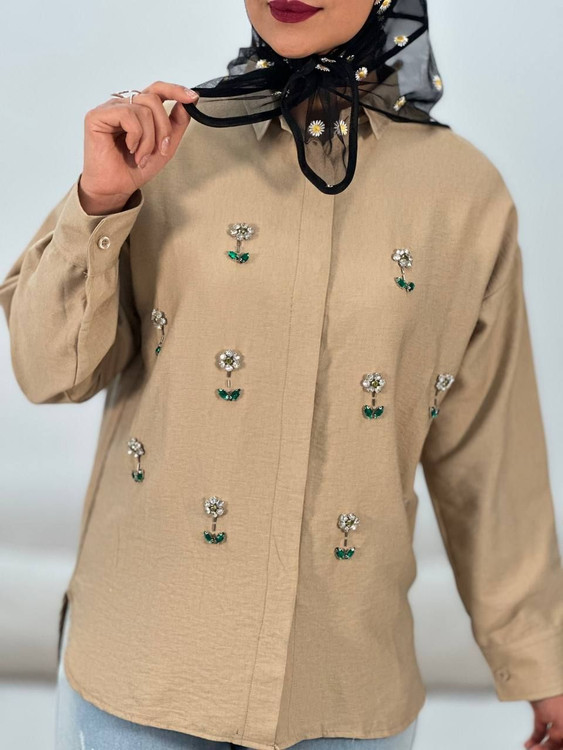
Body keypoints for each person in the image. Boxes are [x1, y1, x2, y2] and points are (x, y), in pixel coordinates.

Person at [1, 1, 562, 749]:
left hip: (345, 694)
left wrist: (540, 662)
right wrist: (102, 202)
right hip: (140, 680)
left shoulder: (464, 197)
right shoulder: (164, 148)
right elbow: (48, 372)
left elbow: (490, 454)